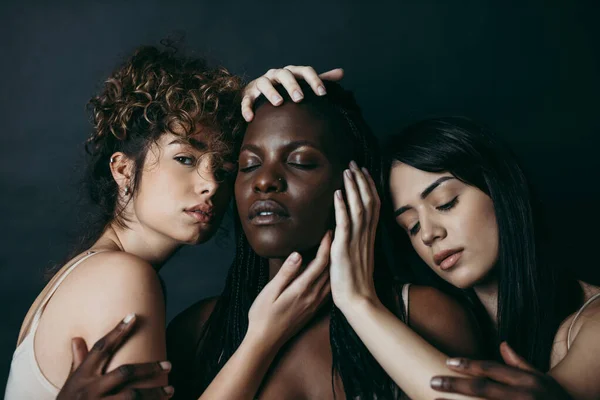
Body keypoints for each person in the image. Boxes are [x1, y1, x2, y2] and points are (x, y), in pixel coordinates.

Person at [4, 45, 343, 400]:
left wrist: (262, 107)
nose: (210, 184)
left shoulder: (91, 271)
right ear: (123, 169)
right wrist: (264, 338)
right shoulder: (119, 279)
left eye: (226, 170)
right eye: (184, 158)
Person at [167, 81, 484, 399]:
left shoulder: (426, 315)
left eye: (300, 162)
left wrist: (359, 302)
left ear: (357, 184)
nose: (263, 181)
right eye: (249, 165)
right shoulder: (197, 332)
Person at [384, 117, 600, 399]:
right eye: (411, 226)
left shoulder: (592, 321)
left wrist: (358, 301)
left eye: (445, 203)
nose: (427, 234)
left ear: (500, 190)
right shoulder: (425, 321)